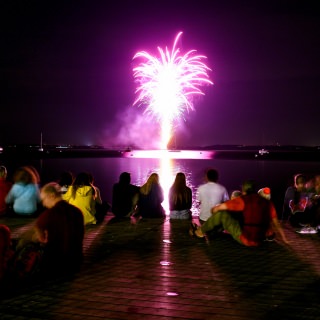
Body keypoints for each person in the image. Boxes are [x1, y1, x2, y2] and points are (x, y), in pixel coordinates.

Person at [192, 180, 289, 246]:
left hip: (246, 239)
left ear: (243, 189)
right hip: (260, 239)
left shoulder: (242, 200)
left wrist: (214, 210)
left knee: (222, 214)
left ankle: (200, 232)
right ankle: (210, 231)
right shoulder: (267, 203)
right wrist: (285, 239)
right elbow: (277, 224)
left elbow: (216, 209)